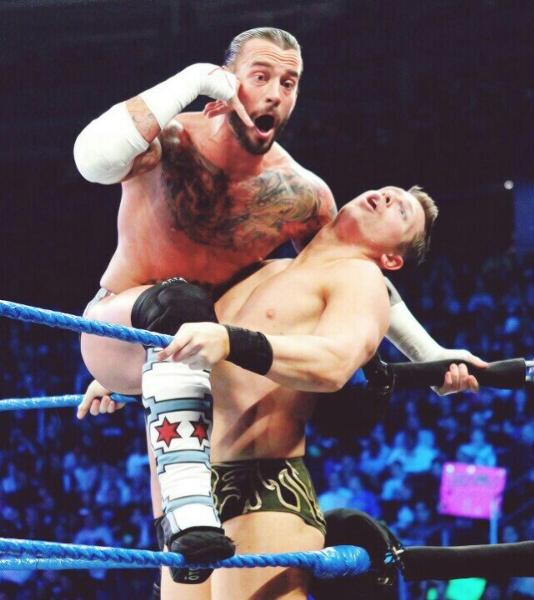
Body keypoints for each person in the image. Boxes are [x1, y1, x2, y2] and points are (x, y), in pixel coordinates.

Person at [79, 185, 463, 599]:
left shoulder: (359, 277)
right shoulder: (262, 268)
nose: (387, 198)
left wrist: (233, 340)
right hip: (188, 490)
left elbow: (334, 363)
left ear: (391, 259)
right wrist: (129, 376)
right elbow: (195, 343)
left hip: (262, 487)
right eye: (386, 192)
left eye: (401, 211)